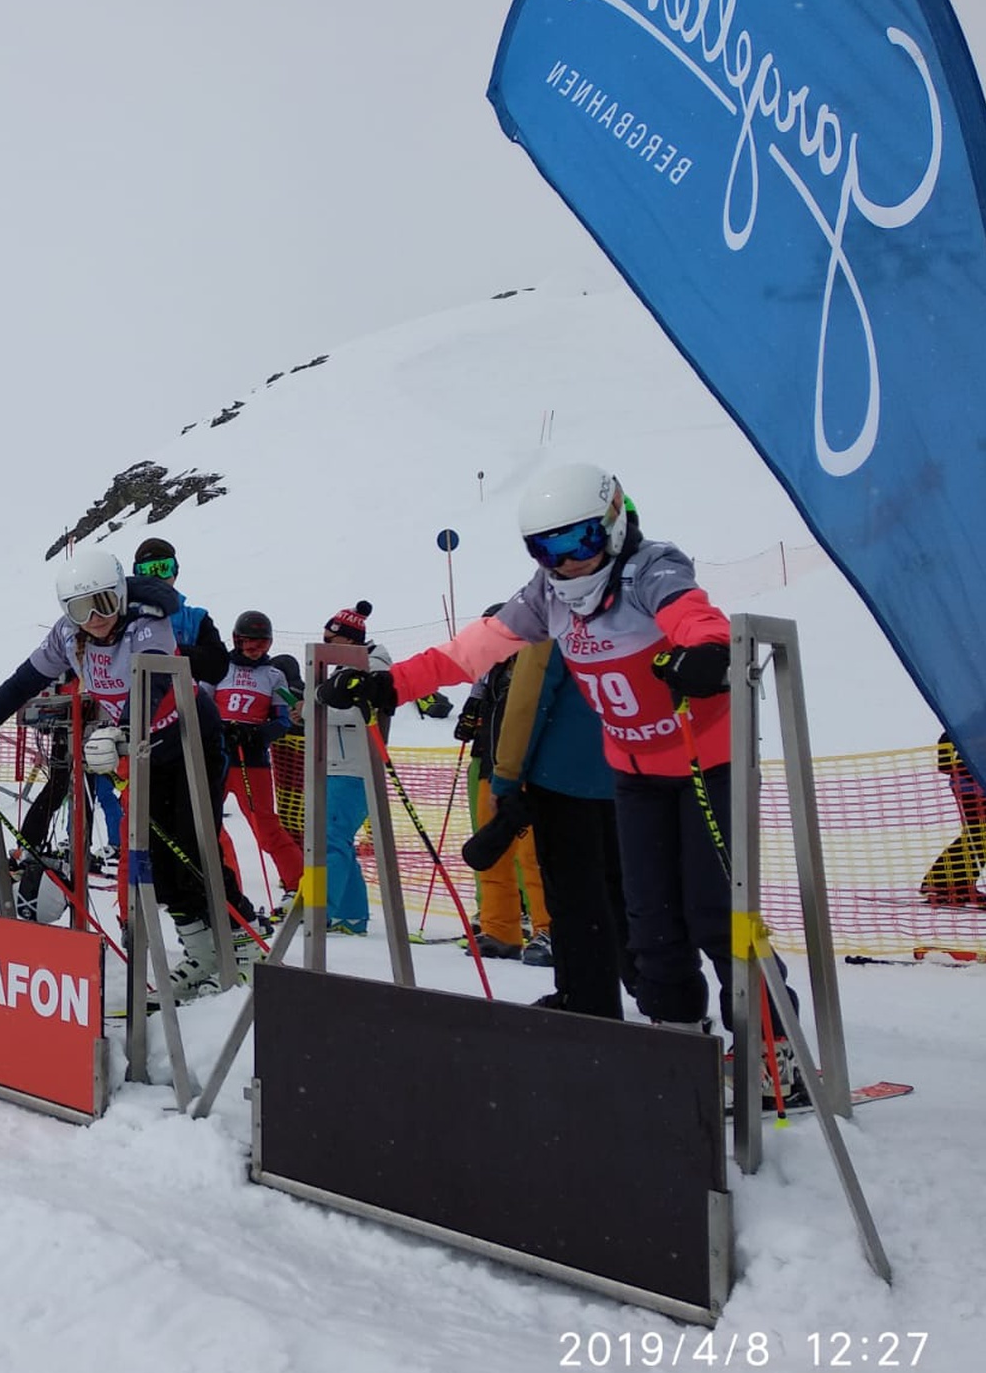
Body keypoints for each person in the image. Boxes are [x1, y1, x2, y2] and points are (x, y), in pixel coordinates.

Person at [321, 462, 804, 1099]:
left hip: (700, 766)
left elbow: (694, 615)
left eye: (577, 542)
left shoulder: (649, 570)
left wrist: (708, 653)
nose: (566, 562)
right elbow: (475, 651)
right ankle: (676, 1037)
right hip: (632, 775)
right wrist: (392, 683)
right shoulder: (547, 595)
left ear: (613, 521)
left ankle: (776, 1050)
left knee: (716, 914)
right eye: (545, 549)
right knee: (650, 918)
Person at [0, 548, 257, 993]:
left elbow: (153, 683)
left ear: (121, 594)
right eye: (80, 609)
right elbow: (22, 683)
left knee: (194, 850)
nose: (95, 618)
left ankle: (243, 948)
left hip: (189, 740)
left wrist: (121, 731)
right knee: (160, 865)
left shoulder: (148, 624)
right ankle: (201, 956)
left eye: (103, 603)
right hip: (146, 752)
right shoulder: (68, 635)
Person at [473, 639, 632, 1017]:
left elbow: (530, 698)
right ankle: (665, 1000)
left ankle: (587, 1002)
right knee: (629, 895)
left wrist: (506, 777)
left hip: (563, 781)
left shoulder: (554, 622)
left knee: (576, 900)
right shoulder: (636, 615)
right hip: (633, 775)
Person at [454, 617, 553, 964]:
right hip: (489, 767)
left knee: (534, 856)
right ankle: (500, 929)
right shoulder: (491, 675)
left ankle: (549, 929)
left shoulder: (536, 664)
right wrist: (471, 720)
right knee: (491, 851)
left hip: (529, 773)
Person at [214, 611, 302, 914]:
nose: (256, 650)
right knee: (206, 825)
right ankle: (224, 890)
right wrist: (218, 727)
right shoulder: (219, 667)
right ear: (238, 641)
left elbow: (285, 719)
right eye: (251, 644)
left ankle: (298, 885)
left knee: (266, 828)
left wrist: (257, 733)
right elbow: (199, 705)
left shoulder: (275, 676)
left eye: (262, 645)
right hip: (218, 757)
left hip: (251, 762)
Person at [314, 604, 391, 935]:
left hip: (353, 768)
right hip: (337, 765)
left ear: (349, 640)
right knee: (337, 840)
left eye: (332, 639)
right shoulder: (342, 670)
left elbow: (358, 714)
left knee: (329, 840)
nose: (327, 646)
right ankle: (352, 914)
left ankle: (318, 909)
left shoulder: (372, 669)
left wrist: (313, 706)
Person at [129, 537, 227, 685]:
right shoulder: (121, 614)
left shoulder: (196, 619)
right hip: (129, 700)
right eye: (148, 570)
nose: (155, 577)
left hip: (181, 701)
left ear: (175, 572)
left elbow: (217, 667)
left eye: (163, 568)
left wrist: (166, 651)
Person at [921, 730, 986, 909]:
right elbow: (947, 739)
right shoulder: (971, 721)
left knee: (980, 837)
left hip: (978, 785)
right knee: (979, 835)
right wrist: (951, 766)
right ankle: (943, 883)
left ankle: (956, 883)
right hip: (971, 787)